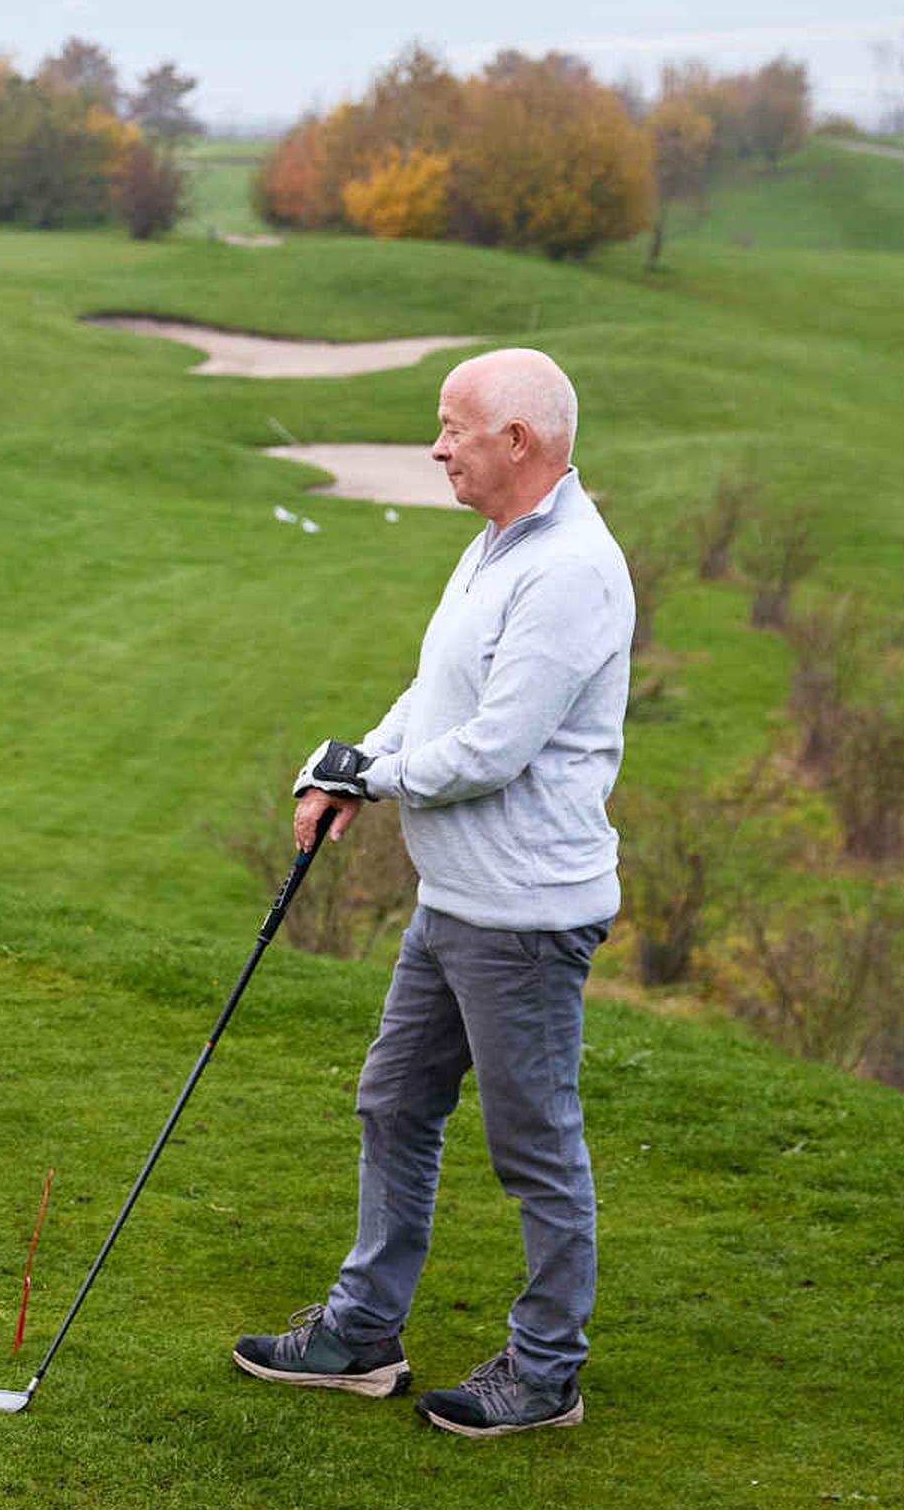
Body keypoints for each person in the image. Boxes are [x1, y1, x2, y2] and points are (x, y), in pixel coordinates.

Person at [231, 347, 631, 1437]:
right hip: (455, 901)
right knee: (395, 1102)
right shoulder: (495, 547)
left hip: (527, 917)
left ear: (520, 443)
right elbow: (437, 691)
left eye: (455, 428)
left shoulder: (572, 571)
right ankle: (362, 1333)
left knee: (534, 1145)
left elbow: (496, 749)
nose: (437, 445)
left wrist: (378, 779)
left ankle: (547, 1372)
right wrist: (355, 762)